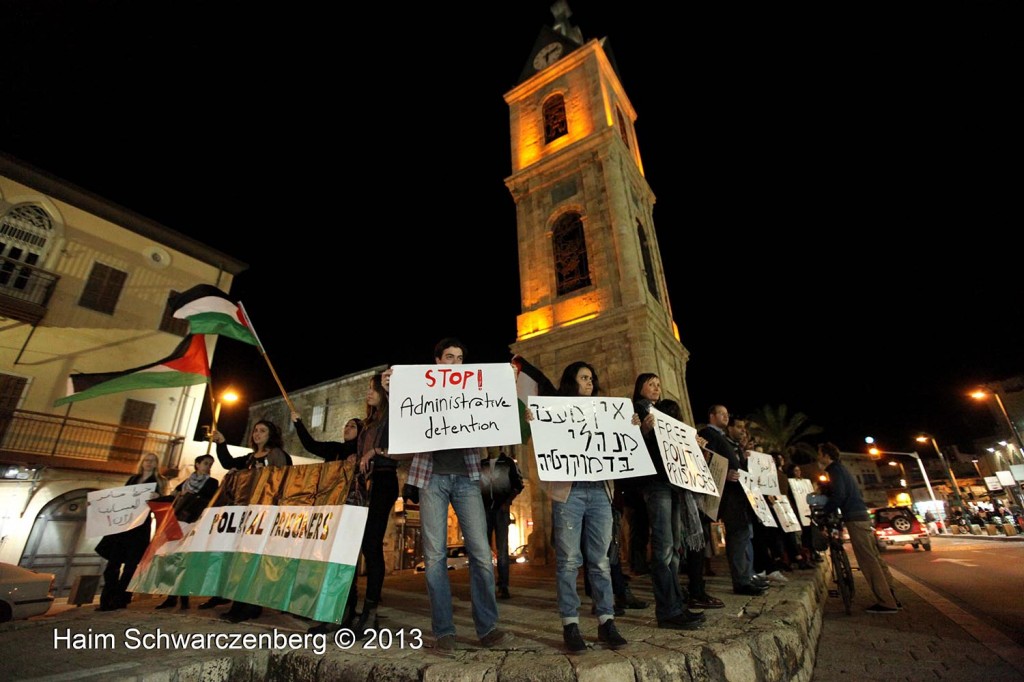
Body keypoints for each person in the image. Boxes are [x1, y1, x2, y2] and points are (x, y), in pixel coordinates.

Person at [405, 338, 513, 651]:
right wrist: (390, 388)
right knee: (435, 556)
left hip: (467, 477)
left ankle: (488, 627)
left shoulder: (473, 389)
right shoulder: (420, 389)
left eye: (461, 358)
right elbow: (400, 416)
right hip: (431, 478)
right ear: (437, 361)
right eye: (450, 357)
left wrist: (505, 384)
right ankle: (444, 630)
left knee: (480, 552)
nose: (456, 363)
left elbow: (499, 413)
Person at [533, 361, 629, 652]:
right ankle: (570, 624)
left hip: (600, 491)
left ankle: (606, 620)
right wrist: (534, 420)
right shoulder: (555, 410)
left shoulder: (606, 411)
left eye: (592, 378)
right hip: (569, 492)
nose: (590, 382)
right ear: (571, 381)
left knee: (600, 561)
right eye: (584, 377)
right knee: (568, 561)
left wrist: (631, 427)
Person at [634, 373, 706, 630]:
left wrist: (693, 443)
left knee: (675, 548)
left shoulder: (664, 413)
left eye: (658, 384)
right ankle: (667, 611)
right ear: (640, 387)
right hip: (656, 485)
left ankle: (677, 604)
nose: (656, 387)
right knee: (663, 549)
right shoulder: (635, 411)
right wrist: (642, 430)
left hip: (673, 484)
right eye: (650, 384)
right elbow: (630, 446)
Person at [203, 419, 292, 622]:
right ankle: (238, 604)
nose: (257, 434)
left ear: (271, 435)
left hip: (265, 515)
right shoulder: (250, 458)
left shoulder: (277, 455)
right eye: (255, 430)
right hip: (246, 515)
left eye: (262, 431)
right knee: (241, 560)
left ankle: (252, 606)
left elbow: (285, 481)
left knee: (255, 560)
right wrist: (221, 443)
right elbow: (228, 463)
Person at [289, 410, 367, 633]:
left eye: (352, 426)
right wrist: (298, 423)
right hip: (329, 510)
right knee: (324, 559)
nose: (347, 429)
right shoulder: (335, 449)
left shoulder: (363, 453)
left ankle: (343, 612)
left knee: (343, 562)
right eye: (346, 426)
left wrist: (360, 460)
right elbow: (310, 444)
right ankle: (325, 609)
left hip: (350, 510)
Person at [654, 398, 724, 610]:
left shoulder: (685, 436)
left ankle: (683, 595)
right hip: (670, 492)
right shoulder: (657, 435)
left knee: (675, 549)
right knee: (669, 549)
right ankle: (675, 601)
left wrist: (698, 448)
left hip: (686, 496)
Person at [817, 442, 901, 614]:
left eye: (819, 453)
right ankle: (891, 596)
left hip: (854, 518)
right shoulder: (841, 469)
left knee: (867, 561)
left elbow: (839, 495)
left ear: (826, 455)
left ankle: (886, 602)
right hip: (861, 516)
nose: (818, 456)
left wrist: (825, 511)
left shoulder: (834, 470)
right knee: (875, 557)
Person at [697, 406, 765, 596]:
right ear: (711, 416)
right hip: (728, 494)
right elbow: (704, 458)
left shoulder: (725, 438)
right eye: (721, 413)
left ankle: (747, 576)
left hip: (739, 492)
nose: (726, 416)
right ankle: (741, 581)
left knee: (743, 534)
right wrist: (723, 475)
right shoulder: (706, 433)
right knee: (737, 535)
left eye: (727, 414)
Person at [95, 451, 167, 611]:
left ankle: (121, 598)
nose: (149, 463)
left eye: (152, 461)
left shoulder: (159, 481)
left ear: (156, 464)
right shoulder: (133, 479)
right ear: (142, 462)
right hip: (123, 525)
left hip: (140, 526)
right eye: (146, 460)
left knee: (130, 565)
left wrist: (157, 497)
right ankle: (107, 598)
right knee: (112, 565)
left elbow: (164, 503)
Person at [155, 453, 219, 610]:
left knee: (185, 559)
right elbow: (173, 498)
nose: (208, 467)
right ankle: (171, 596)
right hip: (178, 522)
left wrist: (190, 496)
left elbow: (210, 500)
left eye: (210, 464)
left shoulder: (212, 482)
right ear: (197, 464)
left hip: (194, 523)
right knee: (173, 558)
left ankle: (184, 597)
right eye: (205, 463)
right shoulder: (186, 482)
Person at [480, 451, 524, 600]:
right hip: (484, 508)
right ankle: (486, 586)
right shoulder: (482, 463)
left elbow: (518, 484)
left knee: (502, 549)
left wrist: (507, 501)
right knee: (483, 549)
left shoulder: (508, 463)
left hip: (501, 509)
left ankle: (503, 586)